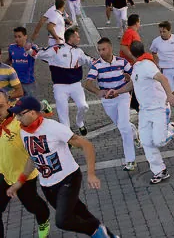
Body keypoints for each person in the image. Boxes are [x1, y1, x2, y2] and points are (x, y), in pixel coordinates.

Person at [7, 96, 119, 237]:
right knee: (80, 213)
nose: (17, 118)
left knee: (62, 220)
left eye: (19, 114)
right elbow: (33, 157)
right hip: (47, 185)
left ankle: (96, 231)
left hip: (68, 179)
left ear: (32, 113)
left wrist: (91, 174)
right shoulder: (24, 132)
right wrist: (19, 182)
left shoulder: (53, 128)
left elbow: (87, 145)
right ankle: (110, 235)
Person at [127, 41, 174, 184]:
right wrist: (117, 92)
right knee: (146, 141)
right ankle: (160, 171)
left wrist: (170, 95)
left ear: (131, 53)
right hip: (145, 110)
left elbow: (162, 78)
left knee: (159, 141)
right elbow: (132, 84)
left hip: (158, 108)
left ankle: (172, 130)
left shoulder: (146, 64)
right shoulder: (137, 67)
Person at [0, 92, 51, 238]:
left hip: (24, 176)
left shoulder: (21, 122)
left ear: (9, 104)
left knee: (32, 205)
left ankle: (43, 219)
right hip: (3, 173)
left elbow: (44, 121)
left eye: (0, 106)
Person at [85, 37, 138, 171]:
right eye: (99, 50)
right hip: (108, 101)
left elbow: (136, 74)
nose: (101, 52)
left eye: (103, 49)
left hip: (123, 96)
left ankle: (130, 160)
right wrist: (99, 92)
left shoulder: (122, 62)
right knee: (122, 125)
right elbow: (88, 83)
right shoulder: (96, 65)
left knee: (123, 127)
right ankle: (135, 133)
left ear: (110, 48)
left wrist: (129, 77)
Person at [31, 27, 93, 135]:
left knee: (83, 106)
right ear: (71, 37)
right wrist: (29, 49)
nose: (79, 39)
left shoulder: (79, 51)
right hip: (60, 86)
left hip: (76, 85)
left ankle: (80, 122)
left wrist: (104, 64)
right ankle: (68, 135)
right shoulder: (56, 49)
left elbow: (91, 61)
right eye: (77, 36)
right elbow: (38, 54)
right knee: (62, 112)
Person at [7, 27, 38, 96]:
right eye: (15, 37)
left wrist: (29, 50)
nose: (17, 39)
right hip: (15, 82)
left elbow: (36, 56)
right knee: (16, 104)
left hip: (28, 82)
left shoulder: (32, 47)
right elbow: (9, 60)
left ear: (25, 36)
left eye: (19, 37)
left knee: (30, 104)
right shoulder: (11, 47)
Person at [120, 14, 142, 112]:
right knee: (134, 83)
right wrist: (134, 58)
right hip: (129, 65)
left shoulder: (131, 32)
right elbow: (124, 47)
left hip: (132, 63)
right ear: (137, 22)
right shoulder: (130, 33)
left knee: (134, 83)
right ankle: (133, 104)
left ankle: (134, 103)